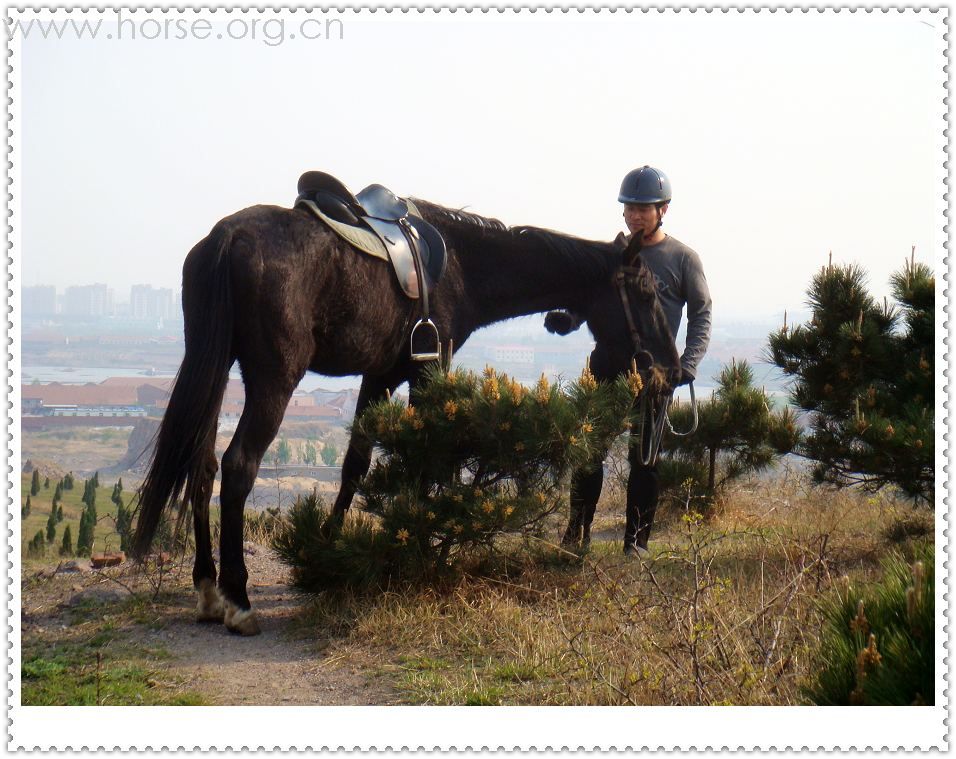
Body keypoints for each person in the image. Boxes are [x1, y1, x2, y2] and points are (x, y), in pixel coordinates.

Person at [545, 165, 712, 555]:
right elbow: (588, 305)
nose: (636, 214)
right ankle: (577, 534)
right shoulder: (610, 256)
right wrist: (567, 321)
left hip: (655, 373)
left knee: (645, 460)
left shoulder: (683, 258)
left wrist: (688, 362)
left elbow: (702, 312)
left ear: (663, 209)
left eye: (644, 208)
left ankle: (636, 544)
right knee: (588, 452)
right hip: (606, 365)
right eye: (630, 208)